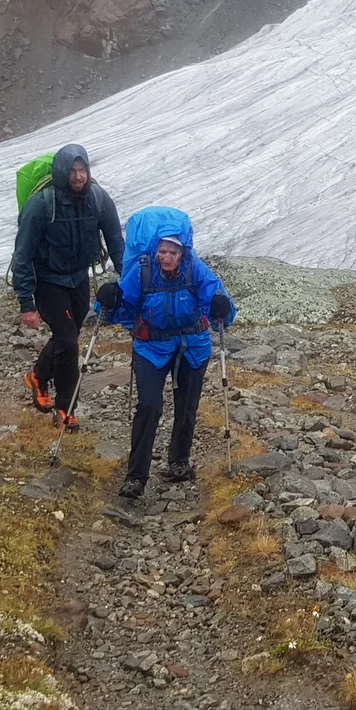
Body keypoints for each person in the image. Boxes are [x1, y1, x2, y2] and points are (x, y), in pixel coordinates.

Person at [97, 206, 234, 499]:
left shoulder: (195, 268)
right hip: (150, 346)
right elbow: (118, 307)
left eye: (173, 251)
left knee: (186, 405)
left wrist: (222, 307)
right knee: (149, 406)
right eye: (163, 251)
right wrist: (108, 301)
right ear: (156, 250)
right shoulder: (143, 270)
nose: (167, 257)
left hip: (192, 346)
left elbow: (217, 297)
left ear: (182, 251)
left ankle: (179, 462)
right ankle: (136, 477)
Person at [12, 144, 124, 429]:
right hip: (48, 281)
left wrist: (130, 280)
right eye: (73, 171)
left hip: (78, 277)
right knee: (68, 341)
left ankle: (37, 376)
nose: (78, 177)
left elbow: (116, 244)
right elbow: (22, 255)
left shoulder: (98, 200)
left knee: (68, 335)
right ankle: (65, 409)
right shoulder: (41, 205)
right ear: (63, 172)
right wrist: (27, 303)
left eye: (82, 170)